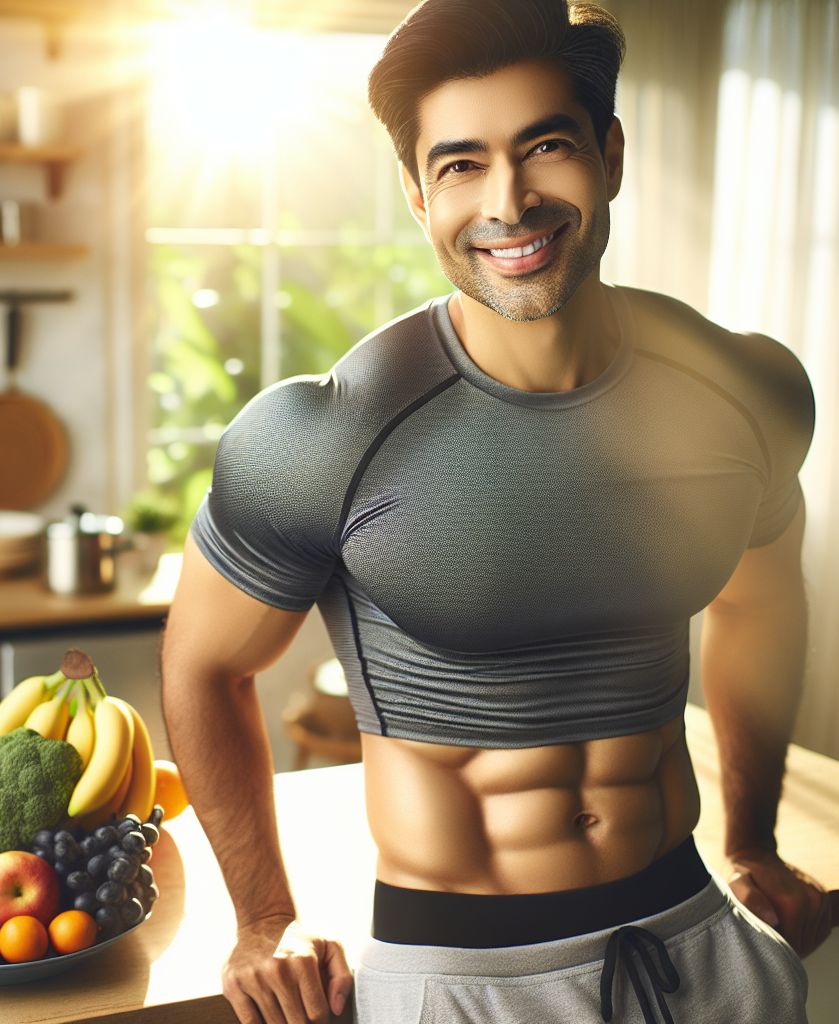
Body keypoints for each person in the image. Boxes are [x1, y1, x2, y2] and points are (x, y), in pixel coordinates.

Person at [161, 2, 834, 1021]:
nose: (509, 202)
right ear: (414, 191)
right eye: (461, 164)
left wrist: (751, 839)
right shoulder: (329, 435)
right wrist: (263, 917)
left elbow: (759, 603)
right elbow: (206, 665)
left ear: (608, 152)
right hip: (466, 978)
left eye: (545, 147)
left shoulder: (745, 388)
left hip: (698, 942)